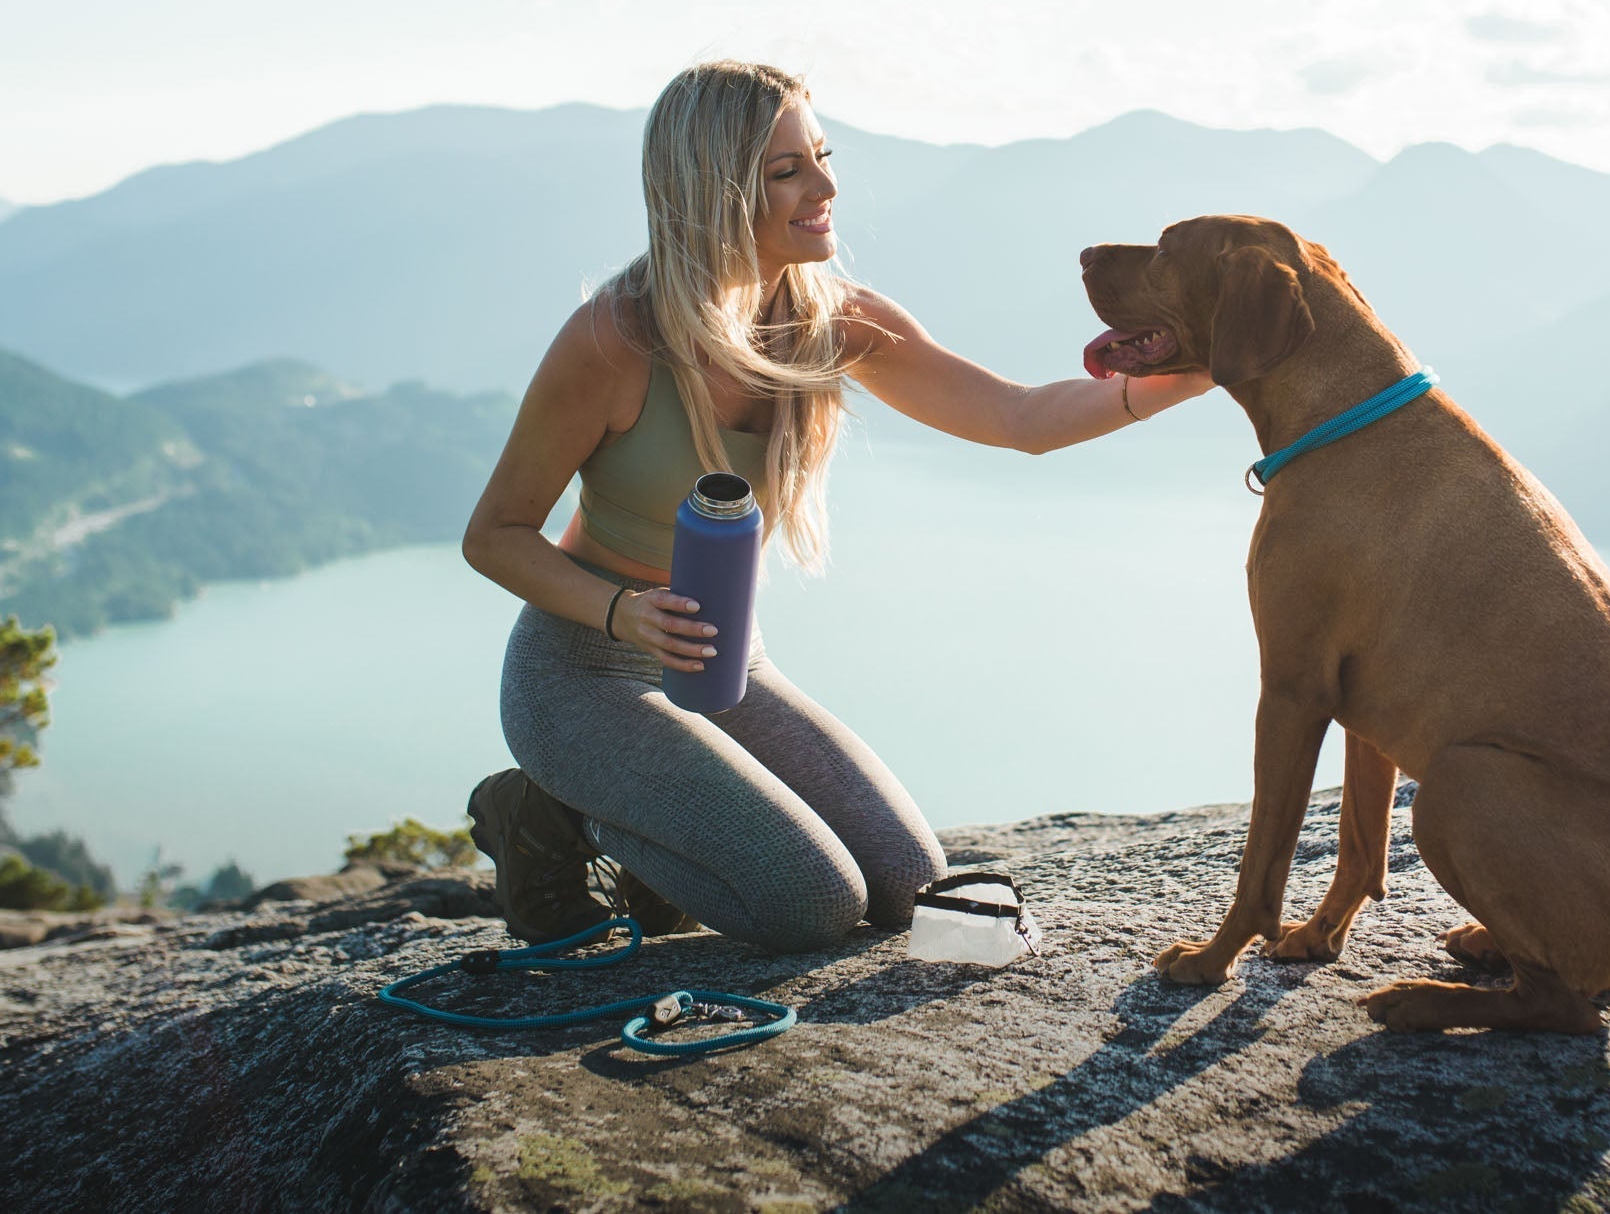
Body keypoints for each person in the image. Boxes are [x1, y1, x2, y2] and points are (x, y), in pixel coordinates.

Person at [460, 60, 1210, 950]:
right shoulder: (615, 339)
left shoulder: (836, 319)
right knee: (809, 903)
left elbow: (1019, 418)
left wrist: (1200, 369)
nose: (825, 188)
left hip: (727, 661)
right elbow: (494, 536)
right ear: (712, 191)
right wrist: (624, 613)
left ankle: (658, 836)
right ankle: (552, 811)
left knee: (906, 885)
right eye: (787, 171)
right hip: (583, 670)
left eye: (822, 157)